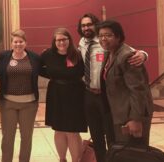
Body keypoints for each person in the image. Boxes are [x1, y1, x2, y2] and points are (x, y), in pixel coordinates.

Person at [77, 13, 148, 162]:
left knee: (118, 141)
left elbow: (137, 88)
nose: (86, 28)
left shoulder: (112, 47)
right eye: (83, 25)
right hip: (91, 94)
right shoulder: (82, 44)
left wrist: (143, 54)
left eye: (89, 24)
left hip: (111, 100)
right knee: (97, 136)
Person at [97, 20, 153, 145]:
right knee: (119, 151)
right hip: (117, 113)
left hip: (130, 116)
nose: (103, 39)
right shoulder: (109, 53)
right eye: (100, 36)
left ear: (118, 37)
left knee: (132, 154)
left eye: (108, 35)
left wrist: (135, 119)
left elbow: (138, 90)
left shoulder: (127, 56)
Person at [40, 28, 87, 162]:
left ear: (69, 40)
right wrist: (52, 76)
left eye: (63, 39)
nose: (61, 42)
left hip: (75, 94)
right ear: (54, 42)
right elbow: (38, 68)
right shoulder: (47, 54)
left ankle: (76, 160)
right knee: (59, 129)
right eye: (58, 40)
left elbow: (84, 71)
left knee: (72, 131)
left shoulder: (78, 54)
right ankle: (62, 159)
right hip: (56, 94)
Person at [0, 29, 40, 162]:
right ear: (11, 43)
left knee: (27, 137)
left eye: (21, 41)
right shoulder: (4, 56)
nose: (18, 44)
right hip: (8, 103)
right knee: (8, 137)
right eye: (15, 41)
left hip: (29, 103)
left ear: (25, 43)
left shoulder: (34, 57)